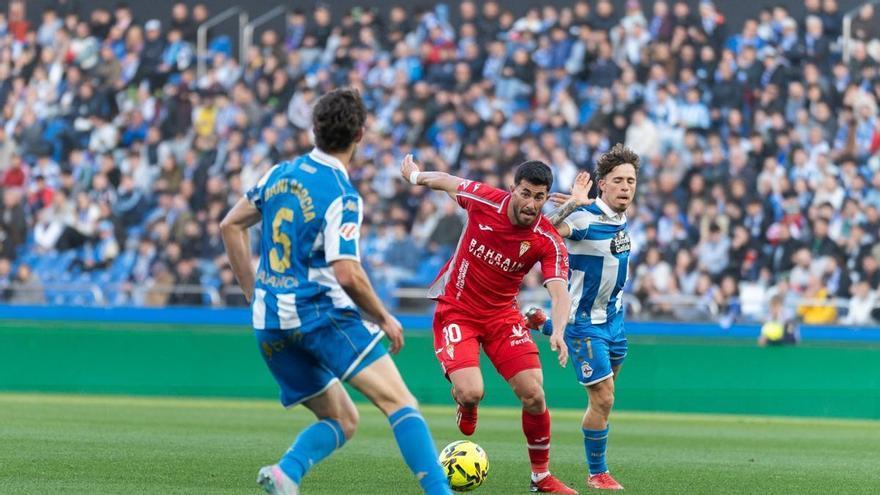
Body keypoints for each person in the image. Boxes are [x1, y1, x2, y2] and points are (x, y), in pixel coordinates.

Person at [220, 88, 452, 495]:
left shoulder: (278, 174)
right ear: (360, 134)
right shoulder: (342, 194)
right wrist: (383, 316)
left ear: (314, 129)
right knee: (401, 404)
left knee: (343, 419)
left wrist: (253, 293)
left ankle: (286, 473)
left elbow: (230, 225)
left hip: (270, 322)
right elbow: (347, 272)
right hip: (319, 315)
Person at [399, 154, 578, 494]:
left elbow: (559, 293)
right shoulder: (485, 200)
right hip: (457, 308)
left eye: (539, 197)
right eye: (525, 193)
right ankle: (465, 403)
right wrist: (415, 177)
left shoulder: (547, 239)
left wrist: (558, 330)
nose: (531, 203)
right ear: (513, 189)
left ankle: (541, 478)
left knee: (534, 394)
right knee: (471, 391)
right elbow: (448, 182)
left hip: (501, 316)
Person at [546, 143, 640, 491]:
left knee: (606, 393)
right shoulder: (585, 218)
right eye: (618, 181)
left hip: (614, 320)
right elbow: (544, 232)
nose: (626, 187)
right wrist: (572, 203)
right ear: (602, 184)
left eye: (631, 180)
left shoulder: (620, 217)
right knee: (604, 398)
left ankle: (544, 324)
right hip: (584, 323)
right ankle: (597, 473)